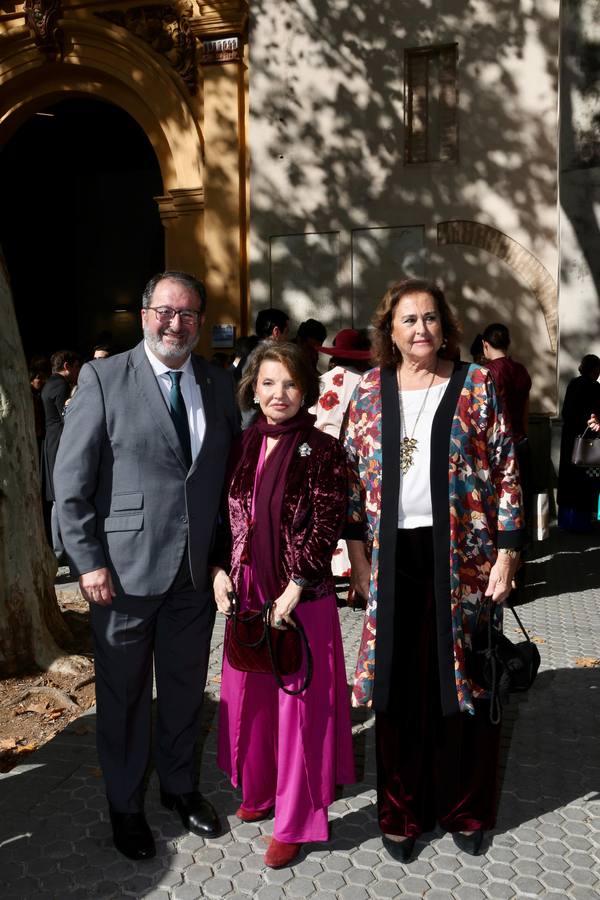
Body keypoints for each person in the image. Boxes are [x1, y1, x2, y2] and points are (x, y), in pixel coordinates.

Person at [54, 271, 239, 861]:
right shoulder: (103, 378)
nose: (174, 323)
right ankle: (125, 805)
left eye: (187, 314)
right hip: (121, 576)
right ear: (143, 315)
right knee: (126, 698)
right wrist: (86, 562)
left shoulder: (217, 383)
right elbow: (70, 483)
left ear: (199, 322)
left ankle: (179, 790)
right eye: (164, 311)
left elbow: (227, 484)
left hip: (192, 579)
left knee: (184, 692)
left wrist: (220, 562)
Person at [342, 278, 524, 861]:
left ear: (445, 326)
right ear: (389, 333)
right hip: (393, 558)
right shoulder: (369, 392)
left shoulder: (476, 386)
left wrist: (508, 550)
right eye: (408, 320)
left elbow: (506, 468)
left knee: (464, 683)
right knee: (399, 690)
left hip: (463, 563)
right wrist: (359, 557)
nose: (420, 329)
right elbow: (350, 481)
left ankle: (466, 808)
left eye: (429, 318)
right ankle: (401, 812)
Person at [211, 341, 355, 870]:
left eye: (290, 384)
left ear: (306, 391)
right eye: (268, 383)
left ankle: (296, 820)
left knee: (299, 712)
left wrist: (296, 586)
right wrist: (218, 571)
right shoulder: (241, 444)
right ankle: (261, 788)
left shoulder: (322, 450)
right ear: (253, 386)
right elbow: (227, 519)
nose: (279, 394)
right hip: (247, 592)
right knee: (248, 693)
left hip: (303, 598)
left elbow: (326, 524)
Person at [311, 328, 372, 603]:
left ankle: (323, 574)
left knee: (323, 515)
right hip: (358, 458)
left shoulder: (320, 383)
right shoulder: (369, 383)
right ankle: (357, 580)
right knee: (356, 515)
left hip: (322, 455)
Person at [481, 323, 533, 530]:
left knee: (499, 502)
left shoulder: (485, 373)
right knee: (521, 497)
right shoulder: (520, 370)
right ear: (508, 343)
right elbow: (525, 410)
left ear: (485, 345)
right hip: (520, 440)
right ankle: (521, 549)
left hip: (498, 446)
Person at [41, 350, 81, 559]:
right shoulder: (60, 385)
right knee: (61, 497)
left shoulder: (49, 384)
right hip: (60, 444)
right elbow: (67, 417)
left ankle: (60, 550)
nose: (77, 372)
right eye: (76, 367)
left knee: (58, 498)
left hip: (52, 443)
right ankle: (61, 551)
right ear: (67, 366)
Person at [557, 354, 600, 532]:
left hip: (570, 441)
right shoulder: (595, 388)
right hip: (587, 444)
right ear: (595, 369)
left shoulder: (573, 384)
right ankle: (582, 522)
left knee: (568, 480)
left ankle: (566, 521)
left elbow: (566, 413)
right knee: (586, 482)